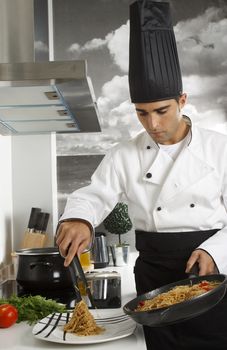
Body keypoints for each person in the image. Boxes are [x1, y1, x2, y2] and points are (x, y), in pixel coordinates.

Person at [56, 1, 227, 349]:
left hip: (210, 275)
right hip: (153, 281)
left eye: (162, 111)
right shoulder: (123, 154)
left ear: (182, 99)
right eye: (142, 113)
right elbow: (94, 194)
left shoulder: (220, 149)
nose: (153, 124)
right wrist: (79, 219)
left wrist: (216, 253)